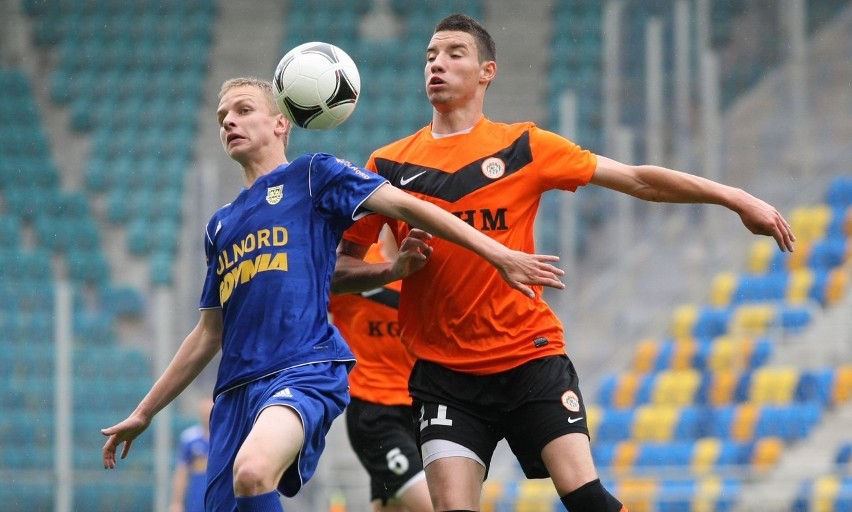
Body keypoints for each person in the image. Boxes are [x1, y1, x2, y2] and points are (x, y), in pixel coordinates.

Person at [333, 13, 797, 512]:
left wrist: (735, 198)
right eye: (430, 56)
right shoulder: (389, 165)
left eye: (453, 53)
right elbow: (339, 271)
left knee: (589, 500)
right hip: (445, 376)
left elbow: (638, 179)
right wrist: (392, 271)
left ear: (488, 71)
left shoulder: (524, 146)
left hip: (529, 358)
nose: (437, 64)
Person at [100, 76, 565, 512]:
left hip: (303, 370)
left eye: (244, 110)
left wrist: (497, 254)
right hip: (234, 391)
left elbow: (408, 205)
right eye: (223, 116)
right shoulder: (220, 226)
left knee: (253, 471)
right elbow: (208, 333)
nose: (229, 121)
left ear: (281, 123)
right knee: (241, 488)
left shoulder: (313, 176)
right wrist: (144, 412)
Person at [329, 226, 432, 512]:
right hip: (374, 412)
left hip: (423, 411)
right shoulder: (352, 268)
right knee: (441, 504)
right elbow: (307, 303)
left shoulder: (432, 274)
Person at [170, 396, 214, 512]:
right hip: (197, 495)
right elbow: (182, 471)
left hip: (219, 493)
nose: (206, 415)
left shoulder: (225, 438)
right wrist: (176, 503)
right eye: (204, 412)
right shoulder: (189, 438)